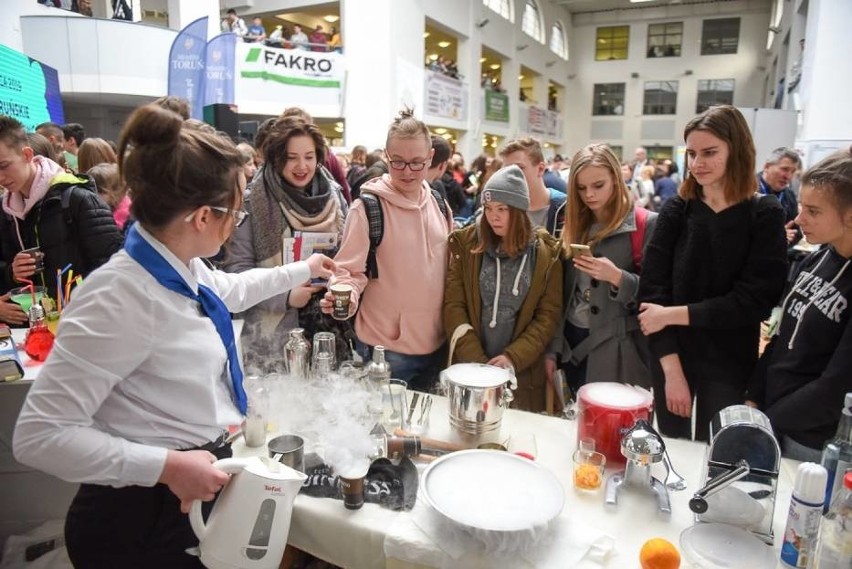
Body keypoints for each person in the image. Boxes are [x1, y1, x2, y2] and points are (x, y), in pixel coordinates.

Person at [12, 104, 334, 568]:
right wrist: (166, 467)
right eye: (237, 213)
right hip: (136, 520)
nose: (236, 222)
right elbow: (39, 436)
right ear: (203, 216)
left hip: (187, 488)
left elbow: (230, 290)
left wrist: (306, 267)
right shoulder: (118, 296)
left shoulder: (181, 265)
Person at [637, 105, 788, 441]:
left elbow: (754, 301)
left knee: (715, 456)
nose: (696, 163)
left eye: (709, 153)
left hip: (729, 363)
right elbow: (651, 296)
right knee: (671, 451)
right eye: (691, 153)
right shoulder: (678, 208)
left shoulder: (764, 213)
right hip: (671, 356)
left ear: (736, 150)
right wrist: (672, 370)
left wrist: (673, 314)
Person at [320, 108, 453, 392]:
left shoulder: (440, 204)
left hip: (438, 344)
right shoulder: (368, 208)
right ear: (386, 157)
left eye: (417, 163)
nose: (407, 172)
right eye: (398, 162)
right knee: (385, 431)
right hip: (387, 349)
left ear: (430, 158)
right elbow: (347, 271)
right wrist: (345, 296)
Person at [748, 146, 852, 461]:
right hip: (772, 417)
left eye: (814, 211)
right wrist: (754, 397)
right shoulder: (819, 256)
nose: (799, 218)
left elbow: (836, 387)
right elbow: (779, 339)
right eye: (802, 206)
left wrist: (768, 420)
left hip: (811, 438)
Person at [223, 117, 348, 370]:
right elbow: (237, 273)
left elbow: (347, 259)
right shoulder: (252, 203)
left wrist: (340, 287)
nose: (302, 166)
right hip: (273, 338)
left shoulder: (335, 198)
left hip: (327, 328)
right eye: (291, 157)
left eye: (309, 156)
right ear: (276, 158)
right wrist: (287, 296)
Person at [444, 165, 563, 412]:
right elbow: (454, 307)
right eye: (488, 208)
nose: (493, 216)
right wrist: (480, 365)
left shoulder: (545, 254)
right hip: (471, 372)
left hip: (522, 375)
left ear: (519, 211)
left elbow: (547, 317)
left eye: (502, 209)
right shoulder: (467, 245)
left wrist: (512, 358)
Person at [547, 144, 658, 398]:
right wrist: (552, 349)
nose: (589, 195)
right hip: (570, 344)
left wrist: (618, 277)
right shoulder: (573, 223)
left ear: (616, 180)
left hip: (618, 350)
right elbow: (559, 293)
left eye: (598, 185)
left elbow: (658, 295)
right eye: (581, 188)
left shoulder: (645, 224)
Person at [0, 115, 123, 303]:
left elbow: (114, 270)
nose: (0, 177)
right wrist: (12, 273)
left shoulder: (77, 199)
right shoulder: (6, 210)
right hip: (35, 327)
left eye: (4, 166)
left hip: (83, 321)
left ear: (27, 155)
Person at [499, 137, 567, 237]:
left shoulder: (566, 208)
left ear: (540, 169)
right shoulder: (504, 208)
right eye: (507, 170)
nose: (512, 176)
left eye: (519, 168)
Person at [758, 147, 803, 247]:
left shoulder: (789, 196)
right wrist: (774, 237)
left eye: (793, 171)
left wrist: (783, 240)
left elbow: (796, 233)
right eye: (785, 169)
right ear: (767, 166)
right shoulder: (746, 190)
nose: (788, 176)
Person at [87, 162, 132, 230]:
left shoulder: (124, 214)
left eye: (100, 191)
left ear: (117, 191)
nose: (95, 196)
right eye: (90, 191)